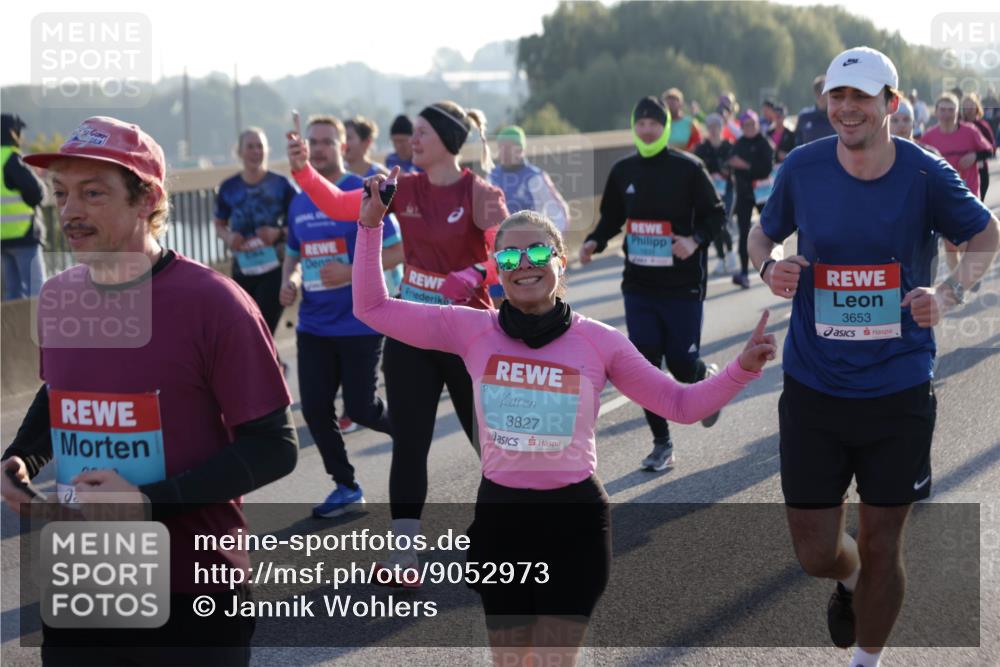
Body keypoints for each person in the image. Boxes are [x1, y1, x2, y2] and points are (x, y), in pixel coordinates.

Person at [352, 183, 776, 665]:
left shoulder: (599, 342)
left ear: (560, 261)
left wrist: (743, 368)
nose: (523, 264)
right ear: (496, 269)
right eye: (508, 257)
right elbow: (372, 308)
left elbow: (679, 404)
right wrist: (369, 224)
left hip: (574, 520)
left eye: (536, 251)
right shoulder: (469, 328)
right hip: (501, 519)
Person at [1, 116, 298, 666]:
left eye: (93, 194)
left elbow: (273, 445)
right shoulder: (60, 296)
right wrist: (21, 455)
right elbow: (59, 394)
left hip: (193, 589)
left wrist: (147, 503)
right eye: (61, 193)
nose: (69, 212)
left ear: (148, 199)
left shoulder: (216, 303)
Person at [749, 47, 999, 667]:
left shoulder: (923, 172)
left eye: (860, 97)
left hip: (899, 388)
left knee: (886, 541)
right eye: (837, 97)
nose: (846, 109)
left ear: (891, 103)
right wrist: (767, 266)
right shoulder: (803, 167)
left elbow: (985, 232)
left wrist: (949, 294)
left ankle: (867, 659)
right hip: (814, 386)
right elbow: (763, 231)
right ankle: (850, 577)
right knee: (814, 552)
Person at [288, 100, 508, 580]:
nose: (413, 140)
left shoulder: (482, 194)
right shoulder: (399, 186)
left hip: (467, 334)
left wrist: (475, 270)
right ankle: (404, 552)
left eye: (424, 133)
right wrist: (304, 170)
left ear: (449, 142)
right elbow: (338, 205)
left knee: (486, 440)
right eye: (413, 133)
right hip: (411, 331)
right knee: (410, 442)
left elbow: (510, 256)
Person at [579, 96, 727, 472]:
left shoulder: (688, 168)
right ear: (634, 127)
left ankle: (704, 378)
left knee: (680, 363)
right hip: (640, 285)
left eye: (654, 124)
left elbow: (716, 215)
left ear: (665, 128)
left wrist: (693, 241)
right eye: (641, 123)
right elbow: (612, 217)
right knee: (643, 366)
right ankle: (662, 445)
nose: (647, 129)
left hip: (682, 284)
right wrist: (594, 240)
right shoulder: (623, 170)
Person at [279, 115, 402, 518]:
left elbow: (401, 250)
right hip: (314, 324)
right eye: (312, 142)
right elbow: (295, 255)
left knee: (362, 408)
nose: (318, 149)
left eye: (327, 142)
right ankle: (346, 486)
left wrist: (351, 271)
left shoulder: (362, 190)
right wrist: (291, 280)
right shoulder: (299, 202)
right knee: (314, 408)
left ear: (343, 147)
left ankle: (408, 432)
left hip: (358, 322)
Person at [214, 127, 296, 336]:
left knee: (263, 330)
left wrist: (277, 233)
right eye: (250, 146)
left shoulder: (281, 185)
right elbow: (219, 224)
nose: (255, 151)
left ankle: (272, 366)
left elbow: (297, 223)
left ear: (267, 150)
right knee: (245, 329)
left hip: (275, 268)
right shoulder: (228, 188)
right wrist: (229, 236)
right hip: (243, 269)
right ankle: (274, 366)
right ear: (239, 152)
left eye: (260, 146)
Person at [921, 93, 994, 272]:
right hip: (942, 195)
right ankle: (958, 281)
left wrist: (974, 155)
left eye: (951, 109)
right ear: (936, 112)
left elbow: (989, 150)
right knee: (949, 243)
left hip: (967, 190)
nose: (946, 114)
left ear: (957, 112)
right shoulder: (928, 137)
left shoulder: (970, 131)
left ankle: (970, 270)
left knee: (966, 238)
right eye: (943, 110)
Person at [488, 125, 570, 232]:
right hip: (502, 246)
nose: (503, 153)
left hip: (530, 244)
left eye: (508, 148)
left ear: (520, 149)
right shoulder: (491, 177)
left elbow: (560, 216)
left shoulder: (535, 177)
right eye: (500, 148)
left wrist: (549, 243)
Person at [1, 113, 47, 300]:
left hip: (2, 238)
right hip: (23, 234)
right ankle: (39, 329)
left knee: (12, 293)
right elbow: (36, 194)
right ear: (13, 133)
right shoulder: (11, 159)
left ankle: (14, 330)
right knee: (36, 290)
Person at [729, 109, 773, 289]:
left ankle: (775, 265)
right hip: (745, 194)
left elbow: (765, 170)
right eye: (746, 125)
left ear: (757, 124)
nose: (749, 128)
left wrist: (745, 165)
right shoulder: (738, 144)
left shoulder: (764, 143)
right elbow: (732, 164)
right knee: (744, 233)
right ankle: (745, 273)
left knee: (771, 231)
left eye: (752, 124)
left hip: (763, 194)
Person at [694, 112, 736, 275]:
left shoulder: (729, 146)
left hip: (727, 190)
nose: (713, 130)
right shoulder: (702, 148)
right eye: (710, 127)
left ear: (721, 128)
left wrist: (727, 169)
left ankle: (730, 252)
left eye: (716, 126)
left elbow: (735, 166)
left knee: (723, 221)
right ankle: (720, 258)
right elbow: (696, 168)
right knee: (714, 222)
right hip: (710, 192)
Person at [961, 92, 997, 201]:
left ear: (977, 107)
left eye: (972, 105)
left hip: (981, 171)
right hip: (961, 172)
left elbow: (992, 149)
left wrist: (976, 156)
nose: (970, 108)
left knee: (978, 205)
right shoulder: (958, 126)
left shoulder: (983, 126)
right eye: (966, 106)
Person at [795, 75, 836, 146]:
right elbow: (797, 144)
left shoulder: (837, 116)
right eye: (818, 91)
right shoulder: (804, 116)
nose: (821, 95)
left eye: (824, 92)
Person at [663, 87, 702, 152]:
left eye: (673, 104)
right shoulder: (660, 123)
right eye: (668, 104)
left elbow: (697, 142)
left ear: (680, 104)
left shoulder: (690, 123)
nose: (670, 107)